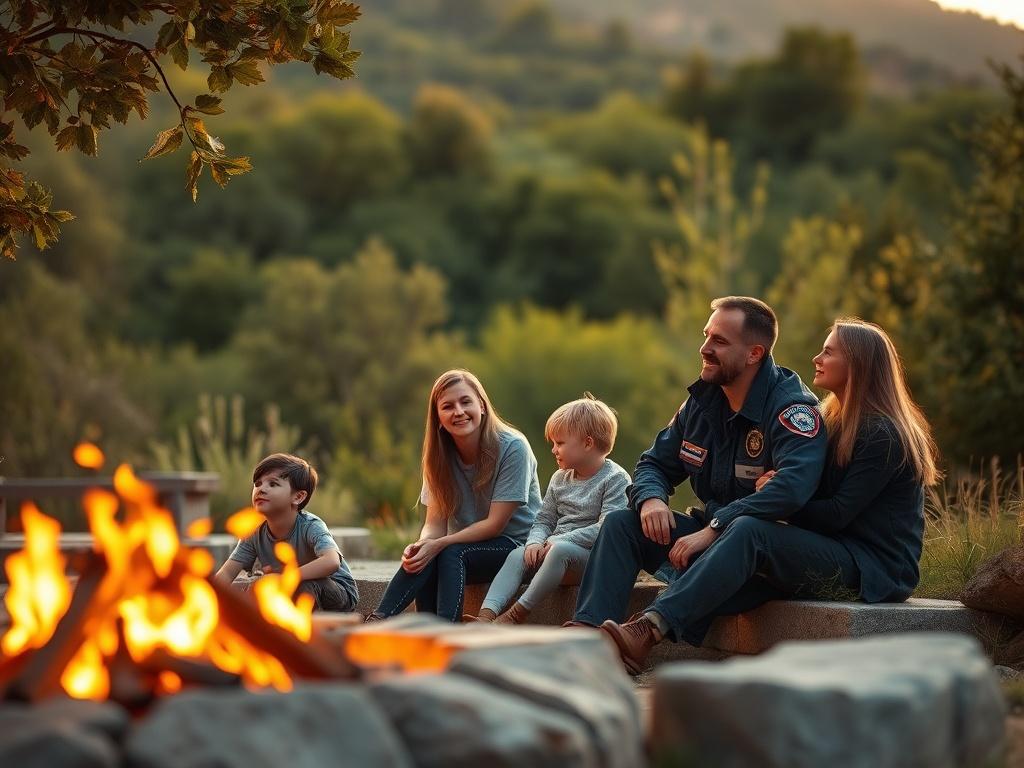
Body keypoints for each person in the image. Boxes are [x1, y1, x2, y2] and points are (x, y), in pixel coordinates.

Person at [572, 296, 829, 674]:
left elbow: (791, 488)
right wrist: (651, 501)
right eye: (706, 336)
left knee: (744, 530)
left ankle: (646, 631)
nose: (704, 349)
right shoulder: (702, 403)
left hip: (764, 565)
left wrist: (715, 526)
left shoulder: (792, 410)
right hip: (710, 549)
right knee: (622, 524)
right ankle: (589, 640)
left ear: (755, 352)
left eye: (719, 341)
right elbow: (653, 464)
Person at [756, 318, 938, 606]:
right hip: (837, 547)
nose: (817, 358)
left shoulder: (884, 435)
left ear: (858, 364)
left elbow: (838, 512)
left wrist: (783, 503)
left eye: (828, 352)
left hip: (878, 568)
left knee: (754, 535)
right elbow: (815, 488)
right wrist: (780, 483)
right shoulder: (827, 419)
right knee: (741, 537)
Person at [366, 369, 542, 622]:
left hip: (517, 549)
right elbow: (434, 525)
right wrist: (423, 545)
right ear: (438, 417)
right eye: (448, 406)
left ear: (481, 406)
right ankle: (382, 622)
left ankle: (446, 631)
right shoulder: (438, 457)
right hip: (465, 547)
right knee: (427, 553)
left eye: (466, 402)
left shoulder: (513, 447)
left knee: (448, 552)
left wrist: (439, 544)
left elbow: (495, 525)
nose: (458, 411)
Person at [465, 395, 631, 624]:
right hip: (553, 550)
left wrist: (559, 540)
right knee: (517, 554)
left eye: (560, 443)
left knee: (560, 550)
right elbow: (544, 519)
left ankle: (516, 615)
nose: (554, 450)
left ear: (587, 443)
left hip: (590, 559)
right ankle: (485, 617)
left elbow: (606, 528)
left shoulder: (616, 479)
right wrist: (534, 542)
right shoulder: (559, 478)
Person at [214, 452, 359, 612]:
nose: (261, 489)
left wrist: (286, 578)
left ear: (298, 497)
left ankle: (300, 631)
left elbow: (331, 561)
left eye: (273, 484)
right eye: (258, 483)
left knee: (304, 585)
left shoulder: (310, 526)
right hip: (287, 588)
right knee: (250, 589)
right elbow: (227, 573)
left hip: (335, 590)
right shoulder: (253, 532)